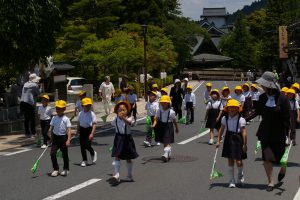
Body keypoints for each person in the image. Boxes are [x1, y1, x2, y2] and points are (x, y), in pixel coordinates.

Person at [247, 71, 290, 192]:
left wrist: (289, 134)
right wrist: (244, 119)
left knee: (280, 157)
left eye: (264, 84)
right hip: (265, 131)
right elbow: (256, 112)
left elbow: (288, 117)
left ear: (270, 85)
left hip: (279, 131)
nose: (263, 86)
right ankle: (270, 182)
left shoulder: (283, 98)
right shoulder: (262, 97)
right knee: (266, 157)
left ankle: (283, 167)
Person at [216, 99, 247, 188]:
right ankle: (231, 180)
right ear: (227, 109)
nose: (232, 109)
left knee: (238, 161)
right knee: (230, 159)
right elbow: (222, 129)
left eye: (234, 107)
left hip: (238, 139)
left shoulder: (241, 119)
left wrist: (245, 144)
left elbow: (244, 132)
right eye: (230, 108)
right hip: (229, 138)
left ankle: (240, 174)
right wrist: (218, 140)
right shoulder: (224, 118)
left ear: (238, 109)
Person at [110, 101, 138, 184]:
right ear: (117, 112)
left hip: (127, 139)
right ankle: (117, 174)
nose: (122, 112)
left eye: (124, 110)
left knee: (128, 158)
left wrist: (123, 118)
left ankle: (129, 176)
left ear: (127, 111)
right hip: (118, 138)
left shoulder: (130, 118)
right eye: (120, 110)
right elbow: (112, 124)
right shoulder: (115, 119)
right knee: (117, 155)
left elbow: (131, 124)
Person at [152, 95, 179, 162]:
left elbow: (174, 121)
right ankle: (167, 153)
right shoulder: (159, 111)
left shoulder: (171, 112)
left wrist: (176, 128)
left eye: (165, 102)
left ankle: (166, 154)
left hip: (169, 127)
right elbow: (156, 118)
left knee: (167, 140)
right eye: (162, 102)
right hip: (161, 126)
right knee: (165, 142)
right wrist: (154, 124)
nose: (163, 104)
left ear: (168, 103)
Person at [49, 100, 71, 177]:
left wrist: (68, 140)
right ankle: (56, 169)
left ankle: (66, 169)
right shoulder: (54, 118)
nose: (58, 110)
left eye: (60, 108)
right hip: (55, 138)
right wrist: (51, 138)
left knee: (65, 154)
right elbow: (52, 129)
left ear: (64, 109)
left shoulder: (66, 119)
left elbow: (68, 130)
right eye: (57, 108)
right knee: (52, 154)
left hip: (63, 138)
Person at [77, 97, 97, 167]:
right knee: (82, 146)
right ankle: (84, 160)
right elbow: (78, 123)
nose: (88, 107)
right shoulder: (80, 114)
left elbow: (94, 124)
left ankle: (93, 152)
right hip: (82, 130)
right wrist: (77, 130)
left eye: (89, 105)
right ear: (82, 106)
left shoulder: (92, 114)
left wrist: (92, 133)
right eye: (86, 105)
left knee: (87, 145)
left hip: (89, 130)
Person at [20, 73, 41, 138]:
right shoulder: (35, 85)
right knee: (32, 119)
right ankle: (33, 133)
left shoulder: (25, 84)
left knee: (26, 119)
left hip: (23, 102)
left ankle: (27, 133)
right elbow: (38, 94)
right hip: (29, 103)